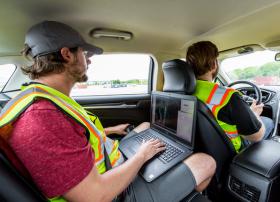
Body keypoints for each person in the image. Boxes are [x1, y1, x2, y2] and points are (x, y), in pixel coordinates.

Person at [0, 21, 216, 202]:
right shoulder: (42, 117)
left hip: (106, 168)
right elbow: (97, 196)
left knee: (146, 127)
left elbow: (73, 137)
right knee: (206, 162)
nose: (89, 59)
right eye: (84, 53)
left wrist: (110, 130)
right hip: (115, 194)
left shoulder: (41, 97)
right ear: (67, 55)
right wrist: (141, 156)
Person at [186, 41, 274, 152]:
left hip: (202, 147)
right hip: (231, 151)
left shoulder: (184, 92)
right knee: (267, 122)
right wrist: (254, 114)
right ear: (214, 65)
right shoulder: (228, 95)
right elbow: (255, 136)